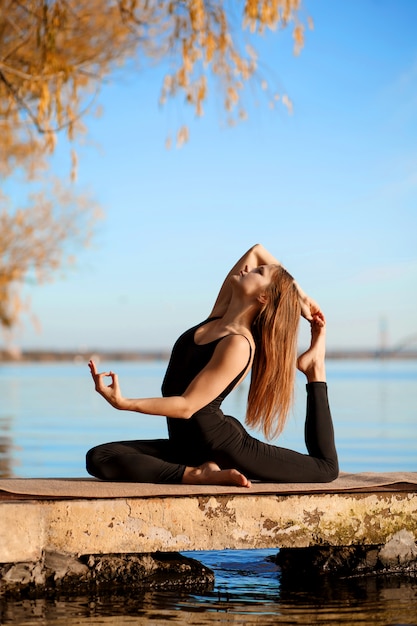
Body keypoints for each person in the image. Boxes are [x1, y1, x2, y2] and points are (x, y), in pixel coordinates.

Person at [86, 244, 338, 487]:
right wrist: (302, 296)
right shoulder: (218, 316)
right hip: (185, 445)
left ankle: (315, 368)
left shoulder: (238, 344)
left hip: (223, 446)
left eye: (258, 273)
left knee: (325, 469)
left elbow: (186, 406)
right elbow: (257, 249)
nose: (248, 268)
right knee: (99, 457)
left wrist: (124, 402)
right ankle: (196, 472)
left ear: (263, 296)